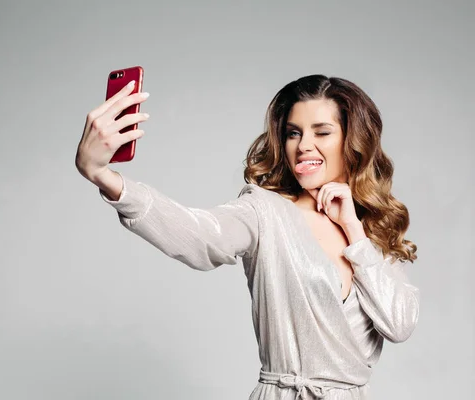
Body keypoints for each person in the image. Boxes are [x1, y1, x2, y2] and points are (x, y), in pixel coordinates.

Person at [75, 74, 420, 400]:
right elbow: (198, 235)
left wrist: (354, 230)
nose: (304, 146)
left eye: (322, 132)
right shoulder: (265, 212)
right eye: (293, 133)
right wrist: (104, 176)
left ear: (353, 141)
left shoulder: (372, 233)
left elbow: (399, 324)